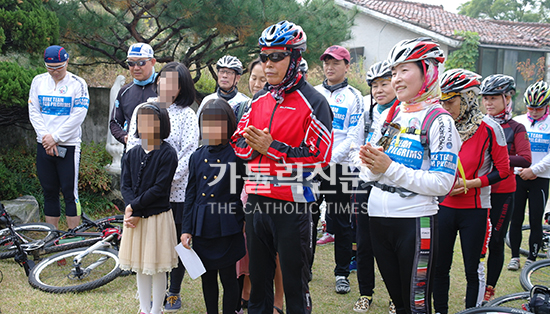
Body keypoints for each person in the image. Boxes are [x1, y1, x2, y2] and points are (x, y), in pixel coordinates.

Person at [231, 20, 333, 314]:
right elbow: (238, 143)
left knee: (294, 286)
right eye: (264, 56)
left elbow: (319, 159)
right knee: (259, 282)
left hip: (293, 205)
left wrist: (271, 148)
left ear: (295, 58)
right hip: (257, 202)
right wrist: (256, 148)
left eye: (277, 56)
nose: (268, 64)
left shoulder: (314, 102)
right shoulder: (258, 99)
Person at [358, 37, 460, 314]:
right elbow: (368, 173)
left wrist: (389, 168)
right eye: (393, 72)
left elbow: (442, 183)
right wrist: (369, 164)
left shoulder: (440, 120)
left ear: (428, 71)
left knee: (416, 305)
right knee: (399, 303)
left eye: (405, 70)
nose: (396, 79)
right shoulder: (390, 115)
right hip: (378, 215)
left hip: (416, 218)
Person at [432, 69, 510, 313]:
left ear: (468, 97)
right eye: (442, 99)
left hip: (475, 209)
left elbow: (504, 170)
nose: (446, 106)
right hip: (442, 207)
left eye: (452, 100)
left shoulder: (489, 128)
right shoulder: (441, 125)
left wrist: (471, 184)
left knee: (472, 269)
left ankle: (472, 311)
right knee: (439, 266)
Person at [130, 62, 199, 312]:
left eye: (174, 82)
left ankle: (174, 291)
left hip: (177, 192)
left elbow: (189, 153)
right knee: (150, 244)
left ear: (182, 88)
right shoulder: (144, 108)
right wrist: (148, 185)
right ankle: (150, 296)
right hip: (147, 194)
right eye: (164, 79)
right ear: (158, 80)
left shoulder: (188, 115)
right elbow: (133, 146)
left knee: (176, 243)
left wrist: (164, 181)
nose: (167, 85)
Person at [181, 98, 246, 314]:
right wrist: (186, 229)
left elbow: (245, 193)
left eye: (218, 124)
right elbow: (190, 195)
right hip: (202, 226)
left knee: (229, 278)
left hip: (228, 225)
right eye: (207, 124)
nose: (212, 129)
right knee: (207, 278)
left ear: (229, 125)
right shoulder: (197, 156)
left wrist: (245, 220)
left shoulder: (238, 156)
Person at [119, 103, 179, 314]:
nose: (146, 126)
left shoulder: (168, 153)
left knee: (157, 266)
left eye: (151, 121)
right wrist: (131, 208)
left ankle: (157, 310)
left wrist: (133, 208)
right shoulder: (132, 153)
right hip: (135, 218)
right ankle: (144, 308)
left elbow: (160, 189)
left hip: (157, 218)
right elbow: (125, 184)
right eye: (141, 121)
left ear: (161, 124)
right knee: (140, 265)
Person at [314, 45, 364, 294]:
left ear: (347, 67)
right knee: (307, 219)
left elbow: (354, 137)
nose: (330, 67)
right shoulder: (313, 93)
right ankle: (305, 267)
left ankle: (342, 273)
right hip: (312, 168)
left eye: (336, 63)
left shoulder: (355, 97)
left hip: (340, 169)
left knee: (342, 223)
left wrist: (329, 160)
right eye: (326, 62)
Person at [349, 59, 397, 312]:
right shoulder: (368, 114)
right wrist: (363, 165)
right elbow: (355, 145)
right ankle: (365, 293)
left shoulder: (403, 114)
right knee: (364, 242)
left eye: (384, 84)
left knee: (389, 244)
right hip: (365, 185)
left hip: (391, 187)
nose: (379, 90)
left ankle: (395, 297)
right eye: (375, 86)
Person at [479, 74, 532, 301]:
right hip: (478, 190)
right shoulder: (478, 124)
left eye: (494, 98)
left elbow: (526, 159)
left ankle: (490, 288)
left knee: (497, 240)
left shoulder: (516, 127)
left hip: (503, 191)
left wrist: (499, 157)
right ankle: (477, 284)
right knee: (476, 240)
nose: (488, 103)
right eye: (485, 98)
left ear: (507, 97)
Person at [28, 45, 89, 230]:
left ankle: (72, 237)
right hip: (44, 144)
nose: (54, 72)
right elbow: (34, 111)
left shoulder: (78, 83)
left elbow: (79, 114)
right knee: (49, 191)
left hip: (68, 145)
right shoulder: (38, 81)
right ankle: (51, 236)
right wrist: (45, 137)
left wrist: (56, 137)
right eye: (50, 68)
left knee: (70, 192)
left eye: (59, 68)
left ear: (67, 62)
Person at [509, 81, 550, 271]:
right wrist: (520, 170)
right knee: (515, 218)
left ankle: (532, 259)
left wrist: (535, 170)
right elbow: (511, 149)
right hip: (518, 176)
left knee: (535, 220)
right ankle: (515, 256)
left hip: (540, 179)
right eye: (530, 107)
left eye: (538, 108)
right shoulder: (518, 122)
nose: (534, 111)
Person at [110, 43, 157, 145]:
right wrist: (124, 137)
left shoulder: (165, 88)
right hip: (132, 151)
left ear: (152, 61)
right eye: (131, 63)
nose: (136, 68)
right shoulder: (124, 91)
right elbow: (115, 122)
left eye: (141, 63)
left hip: (160, 151)